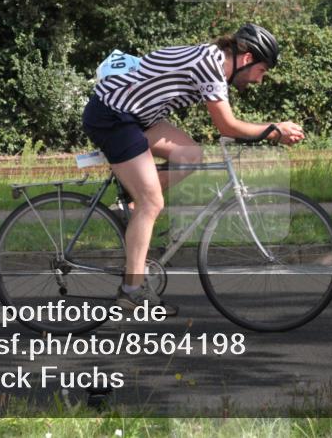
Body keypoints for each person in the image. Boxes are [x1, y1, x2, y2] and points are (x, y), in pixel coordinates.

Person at [82, 24, 305, 315]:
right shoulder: (210, 66)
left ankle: (132, 204)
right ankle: (131, 291)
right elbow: (227, 126)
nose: (259, 80)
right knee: (152, 202)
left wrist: (267, 132)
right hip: (113, 116)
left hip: (138, 116)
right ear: (247, 58)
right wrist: (274, 130)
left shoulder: (213, 61)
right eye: (261, 71)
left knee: (190, 155)